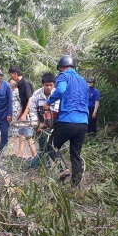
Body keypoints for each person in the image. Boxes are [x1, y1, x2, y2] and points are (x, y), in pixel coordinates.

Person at [43, 55, 89, 186]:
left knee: (50, 147)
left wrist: (49, 102)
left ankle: (63, 169)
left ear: (61, 68)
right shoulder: (83, 81)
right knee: (76, 155)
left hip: (68, 121)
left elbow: (61, 90)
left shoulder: (63, 76)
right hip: (83, 123)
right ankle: (75, 187)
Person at [23, 73, 58, 165]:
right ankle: (44, 164)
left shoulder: (57, 94)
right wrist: (36, 124)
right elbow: (33, 111)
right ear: (43, 84)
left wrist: (52, 126)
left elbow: (56, 111)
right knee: (42, 145)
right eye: (47, 85)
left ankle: (45, 163)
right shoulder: (37, 94)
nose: (49, 87)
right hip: (40, 122)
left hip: (54, 124)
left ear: (54, 84)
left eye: (51, 85)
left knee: (50, 146)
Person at [9, 65, 34, 158]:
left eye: (11, 75)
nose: (11, 77)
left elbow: (30, 100)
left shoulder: (25, 83)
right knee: (21, 132)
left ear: (15, 74)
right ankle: (20, 152)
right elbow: (23, 101)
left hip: (30, 113)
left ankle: (34, 155)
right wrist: (20, 113)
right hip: (24, 112)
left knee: (28, 134)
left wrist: (25, 114)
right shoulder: (19, 84)